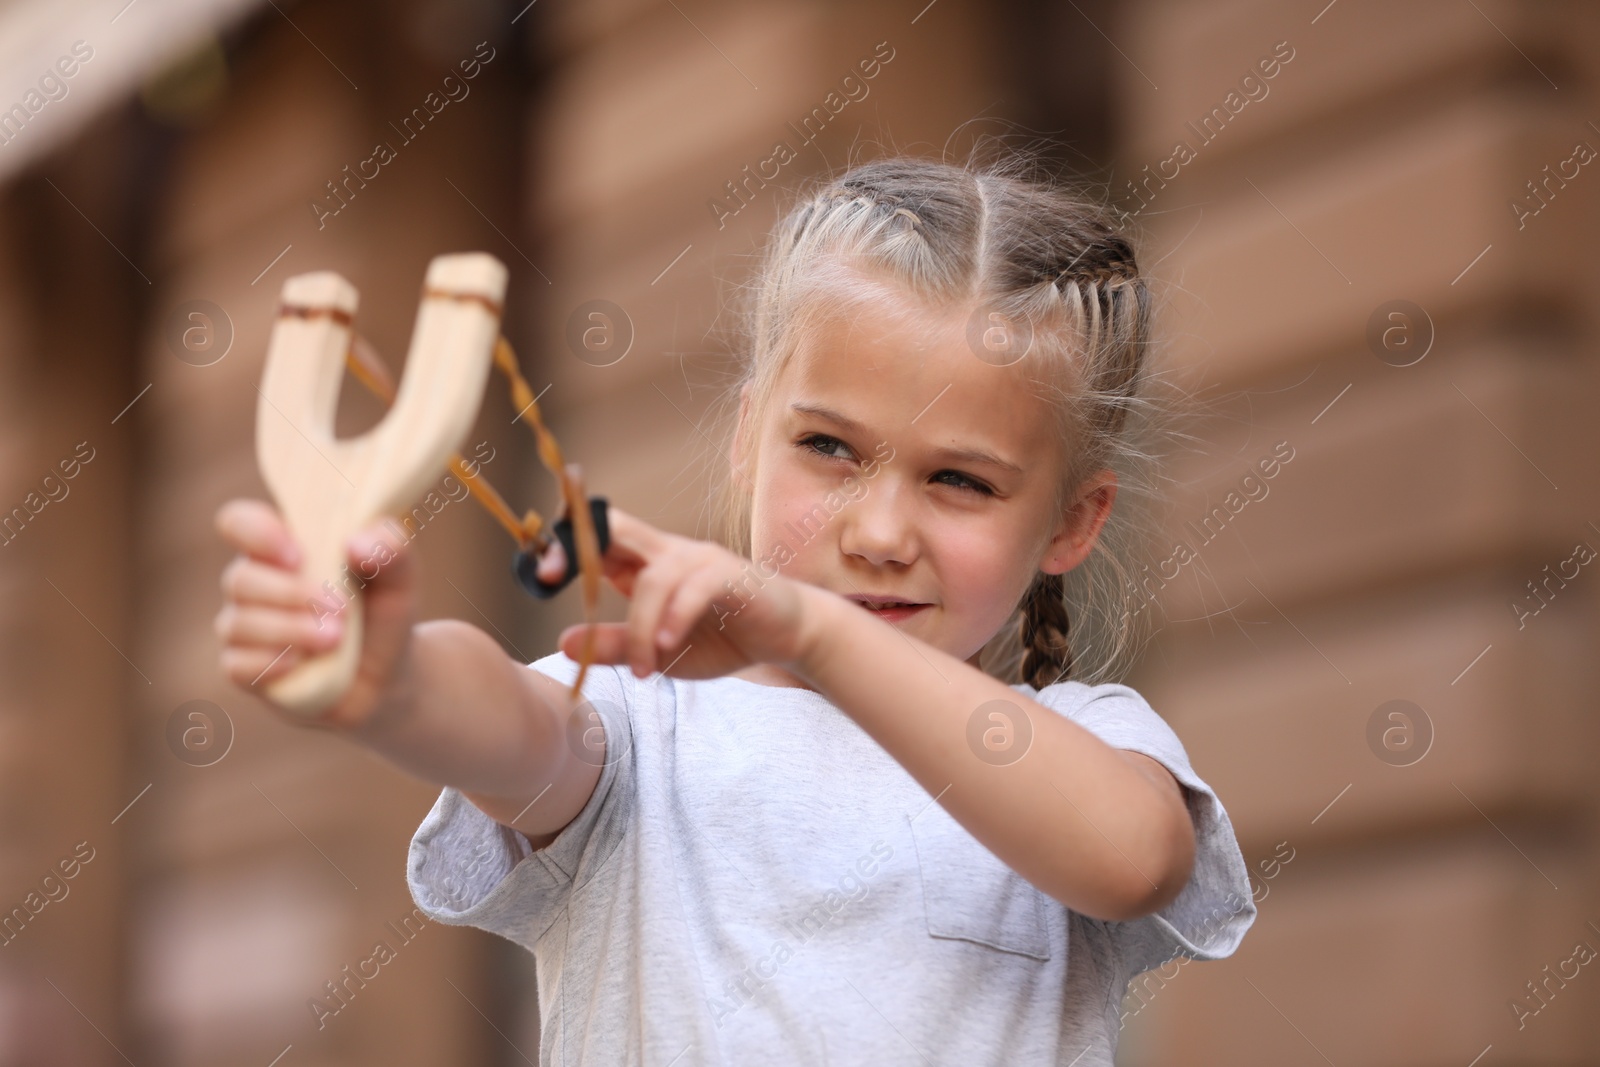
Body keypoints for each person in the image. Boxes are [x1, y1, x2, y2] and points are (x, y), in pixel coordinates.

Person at [214, 154, 1256, 1065]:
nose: (880, 529)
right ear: (748, 434)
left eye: (961, 481)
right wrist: (388, 682)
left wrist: (811, 628)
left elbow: (1131, 858)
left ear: (1073, 522)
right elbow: (512, 726)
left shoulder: (1084, 739)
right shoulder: (644, 720)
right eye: (829, 448)